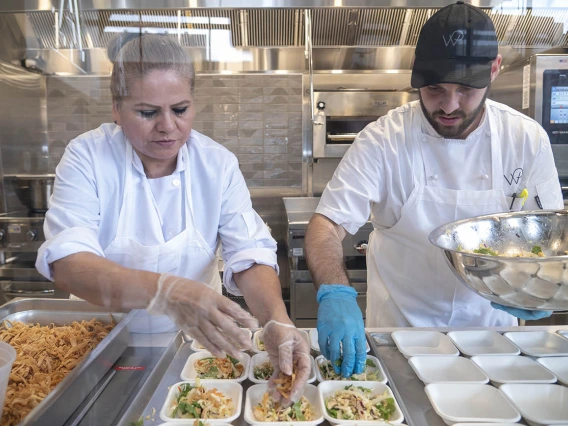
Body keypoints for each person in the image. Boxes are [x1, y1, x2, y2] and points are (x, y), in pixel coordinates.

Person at [35, 33, 309, 403]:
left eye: (180, 109)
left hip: (198, 349)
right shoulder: (88, 157)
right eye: (147, 112)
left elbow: (250, 253)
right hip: (100, 346)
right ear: (116, 108)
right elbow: (68, 263)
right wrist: (167, 292)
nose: (167, 126)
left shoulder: (216, 164)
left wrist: (277, 319)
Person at [305, 1, 563, 378]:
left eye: (466, 89)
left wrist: (542, 285)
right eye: (435, 88)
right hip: (398, 337)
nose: (449, 105)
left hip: (492, 340)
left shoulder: (525, 140)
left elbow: (549, 236)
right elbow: (325, 227)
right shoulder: (384, 140)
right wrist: (336, 292)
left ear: (494, 69)